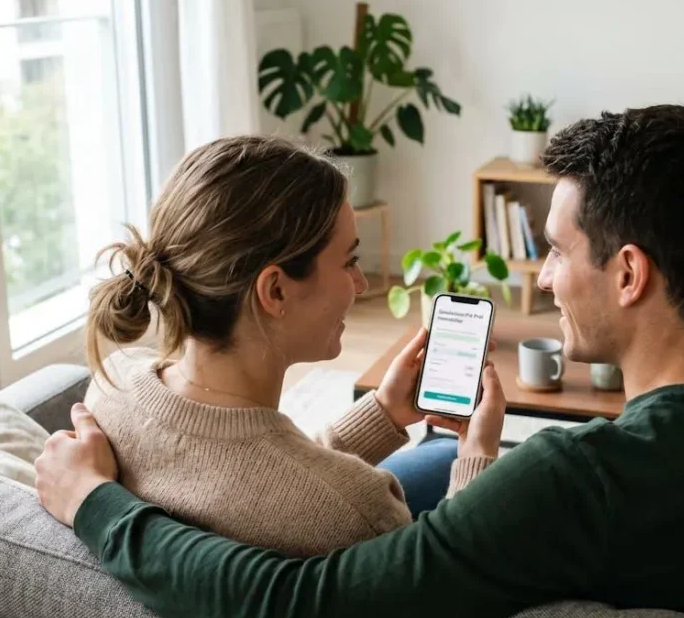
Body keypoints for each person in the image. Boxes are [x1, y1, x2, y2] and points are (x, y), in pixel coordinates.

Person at [36, 106, 684, 618]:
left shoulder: (572, 483)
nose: (545, 279)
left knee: (432, 469)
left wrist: (98, 504)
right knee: (428, 465)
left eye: (555, 253)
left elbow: (289, 612)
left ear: (629, 275)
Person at [75, 135, 507, 558]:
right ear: (275, 290)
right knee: (478, 463)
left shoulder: (112, 385)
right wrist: (479, 461)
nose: (361, 283)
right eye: (350, 261)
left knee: (439, 451)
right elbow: (440, 586)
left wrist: (383, 413)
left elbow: (257, 479)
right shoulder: (357, 513)